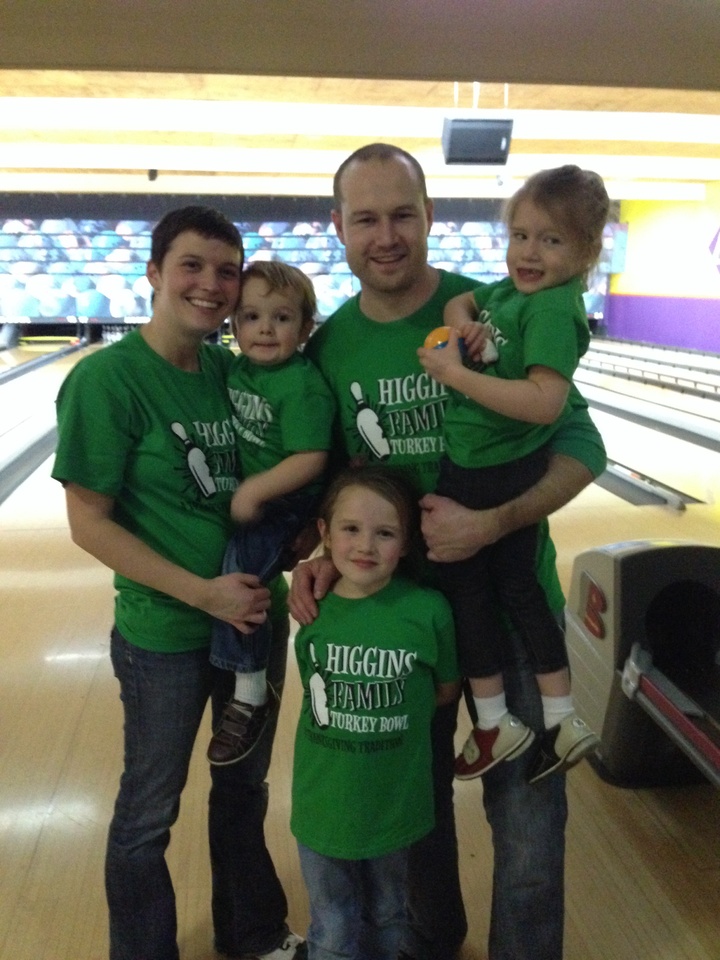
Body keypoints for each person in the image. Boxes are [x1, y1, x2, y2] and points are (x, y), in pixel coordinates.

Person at [290, 143, 607, 960]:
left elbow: (582, 448)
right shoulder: (328, 351)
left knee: (530, 826)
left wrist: (496, 522)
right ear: (339, 229)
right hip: (398, 619)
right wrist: (320, 551)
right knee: (416, 813)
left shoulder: (495, 312)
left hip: (510, 609)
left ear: (430, 215)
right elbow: (332, 483)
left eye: (403, 213)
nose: (386, 235)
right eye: (366, 218)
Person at [52, 206, 306, 960]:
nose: (211, 284)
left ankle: (251, 934)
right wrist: (202, 594)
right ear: (157, 272)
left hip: (256, 621)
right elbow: (88, 524)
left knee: (243, 793)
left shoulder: (238, 373)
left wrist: (306, 530)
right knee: (147, 814)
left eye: (226, 270)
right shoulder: (107, 381)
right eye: (192, 266)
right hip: (164, 635)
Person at [417, 165, 608, 783]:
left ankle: (497, 721)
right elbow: (459, 301)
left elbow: (545, 402)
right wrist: (461, 326)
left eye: (550, 241)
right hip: (495, 469)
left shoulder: (551, 310)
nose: (529, 252)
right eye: (521, 235)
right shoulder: (512, 294)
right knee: (517, 589)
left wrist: (455, 373)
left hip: (488, 474)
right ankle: (560, 718)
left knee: (475, 590)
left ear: (585, 252)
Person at [291, 465, 460, 960]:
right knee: (334, 927)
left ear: (406, 544)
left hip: (396, 808)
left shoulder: (428, 611)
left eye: (385, 533)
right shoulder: (315, 613)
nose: (366, 546)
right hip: (322, 806)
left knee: (391, 916)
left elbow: (445, 691)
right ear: (324, 534)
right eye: (350, 529)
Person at [208, 260, 335, 767]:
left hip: (290, 497)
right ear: (234, 325)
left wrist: (255, 491)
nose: (264, 328)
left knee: (242, 567)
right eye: (251, 316)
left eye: (281, 318)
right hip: (264, 492)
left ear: (305, 329)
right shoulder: (235, 368)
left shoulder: (300, 385)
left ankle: (251, 690)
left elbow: (311, 459)